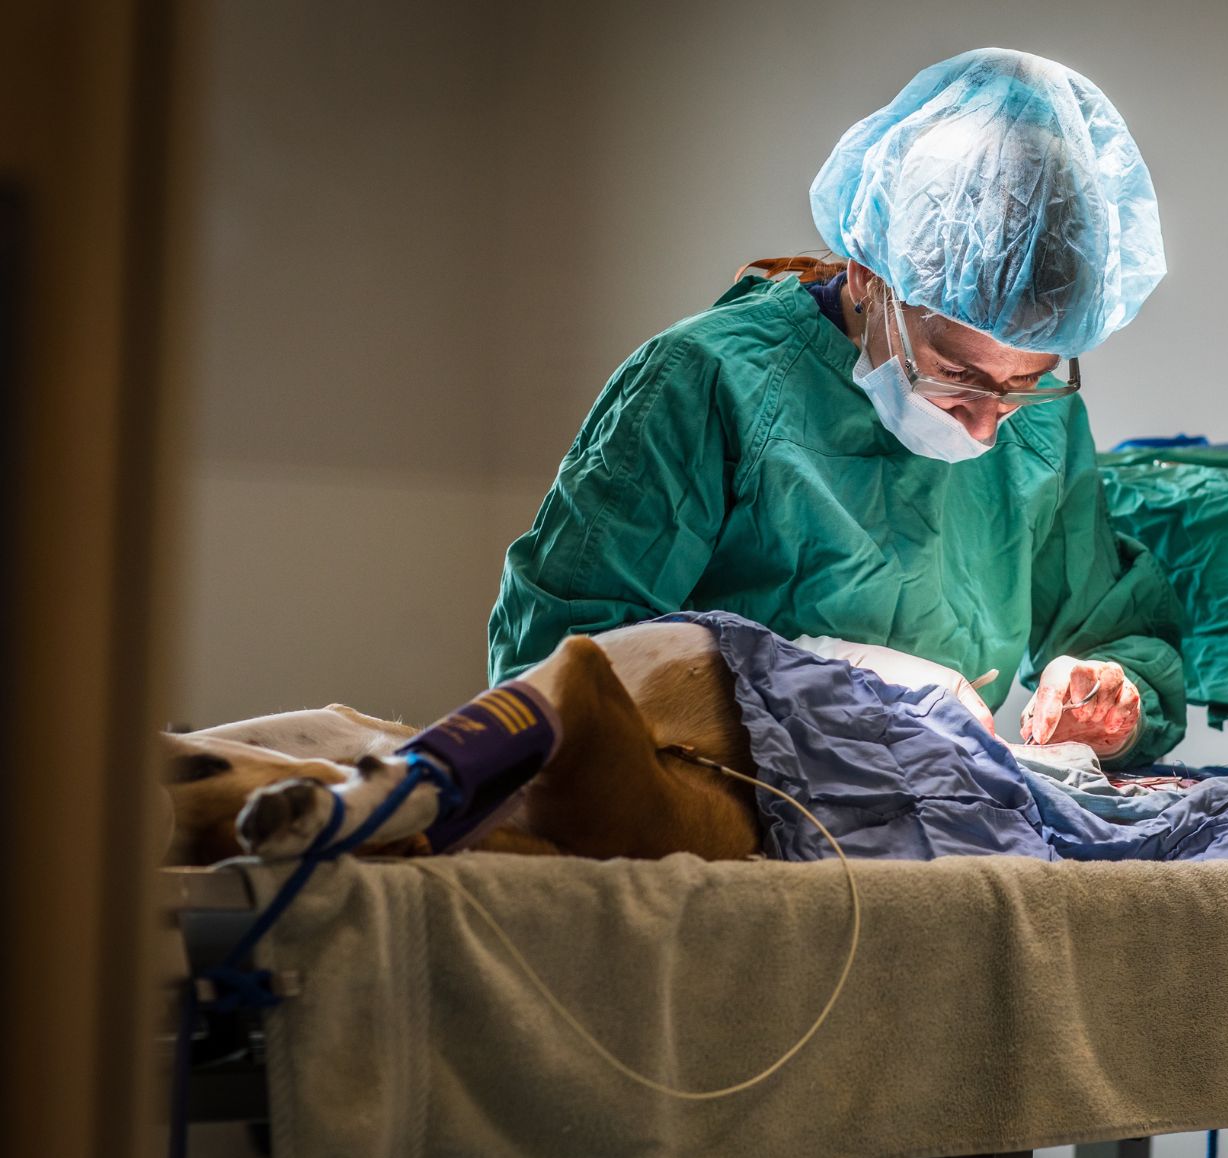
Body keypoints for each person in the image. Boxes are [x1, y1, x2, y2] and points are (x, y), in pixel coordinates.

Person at [488, 48, 1183, 765]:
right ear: (867, 273)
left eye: (1021, 383)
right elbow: (553, 668)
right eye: (957, 375)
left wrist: (1106, 697)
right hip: (725, 811)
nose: (984, 425)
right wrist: (825, 678)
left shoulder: (1043, 415)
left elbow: (1114, 625)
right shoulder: (705, 382)